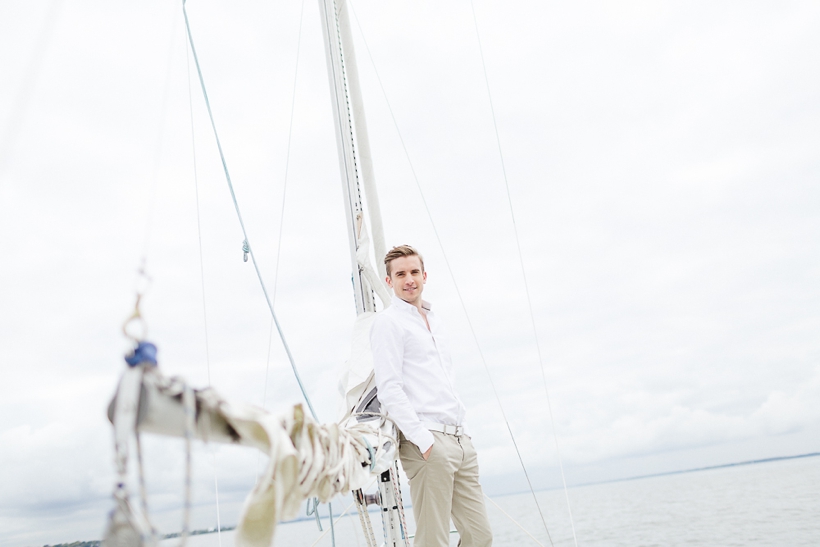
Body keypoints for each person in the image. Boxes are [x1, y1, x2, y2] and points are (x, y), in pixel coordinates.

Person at [371, 245, 493, 547]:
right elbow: (389, 388)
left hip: (460, 440)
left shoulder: (434, 319)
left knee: (480, 537)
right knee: (433, 540)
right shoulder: (389, 322)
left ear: (424, 276)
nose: (408, 279)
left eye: (414, 272)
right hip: (427, 441)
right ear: (389, 281)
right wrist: (422, 440)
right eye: (400, 274)